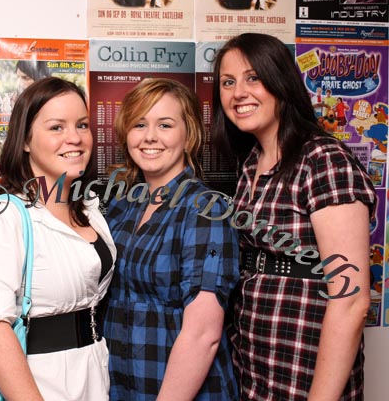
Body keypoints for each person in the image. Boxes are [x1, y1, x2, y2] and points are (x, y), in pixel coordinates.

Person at [212, 32, 377, 400]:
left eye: (253, 77)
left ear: (280, 81)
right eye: (228, 82)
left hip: (306, 375)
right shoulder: (251, 164)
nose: (238, 93)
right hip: (255, 370)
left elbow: (351, 300)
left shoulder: (322, 160)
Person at [0, 77, 116, 400]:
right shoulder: (4, 213)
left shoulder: (91, 207)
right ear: (25, 141)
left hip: (92, 375)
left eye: (82, 125)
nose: (74, 138)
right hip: (38, 383)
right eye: (56, 128)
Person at [104, 78, 240, 400]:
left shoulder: (205, 211)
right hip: (125, 385)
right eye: (139, 124)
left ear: (188, 134)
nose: (150, 136)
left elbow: (203, 334)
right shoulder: (122, 207)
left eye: (165, 125)